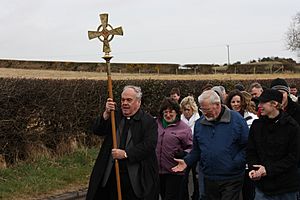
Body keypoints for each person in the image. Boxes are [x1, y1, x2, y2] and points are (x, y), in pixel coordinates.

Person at [172, 90, 249, 200]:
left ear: (217, 105)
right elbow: (197, 150)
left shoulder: (237, 120)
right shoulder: (199, 124)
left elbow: (247, 146)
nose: (205, 113)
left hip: (231, 178)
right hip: (208, 177)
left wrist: (236, 162)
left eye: (207, 110)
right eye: (202, 110)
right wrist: (187, 161)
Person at [86, 85, 159, 200]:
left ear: (138, 102)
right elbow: (97, 130)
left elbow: (149, 146)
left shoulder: (148, 121)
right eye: (123, 100)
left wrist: (126, 154)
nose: (125, 103)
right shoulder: (115, 116)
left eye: (129, 100)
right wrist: (106, 114)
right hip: (111, 176)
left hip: (136, 179)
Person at [247, 89, 300, 199]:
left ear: (275, 104)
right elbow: (251, 151)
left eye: (262, 103)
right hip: (263, 187)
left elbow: (293, 157)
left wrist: (268, 170)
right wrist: (254, 169)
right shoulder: (256, 125)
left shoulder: (291, 127)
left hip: (286, 188)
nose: (259, 106)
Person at [156, 97, 193, 200]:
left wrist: (184, 153)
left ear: (177, 113)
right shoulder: (156, 124)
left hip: (175, 171)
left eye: (171, 112)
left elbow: (191, 147)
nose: (168, 115)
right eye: (165, 112)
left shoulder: (184, 128)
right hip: (158, 171)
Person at [226, 89, 258, 200]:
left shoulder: (252, 118)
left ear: (243, 102)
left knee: (248, 193)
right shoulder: (225, 118)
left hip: (248, 163)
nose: (236, 104)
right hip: (231, 163)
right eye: (233, 102)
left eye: (238, 101)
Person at [180, 96, 200, 200]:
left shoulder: (199, 120)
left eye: (188, 109)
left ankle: (196, 197)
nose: (186, 112)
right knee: (183, 178)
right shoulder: (179, 120)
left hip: (196, 151)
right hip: (184, 152)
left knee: (197, 178)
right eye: (184, 109)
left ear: (193, 109)